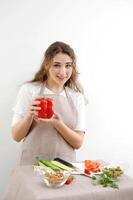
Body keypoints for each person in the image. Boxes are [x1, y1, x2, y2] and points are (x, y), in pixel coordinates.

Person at [11, 41, 86, 165]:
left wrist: (58, 124)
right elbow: (16, 136)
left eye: (68, 65)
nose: (63, 72)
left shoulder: (77, 97)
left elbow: (78, 143)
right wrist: (29, 116)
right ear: (46, 65)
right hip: (32, 165)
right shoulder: (29, 90)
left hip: (63, 170)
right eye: (57, 65)